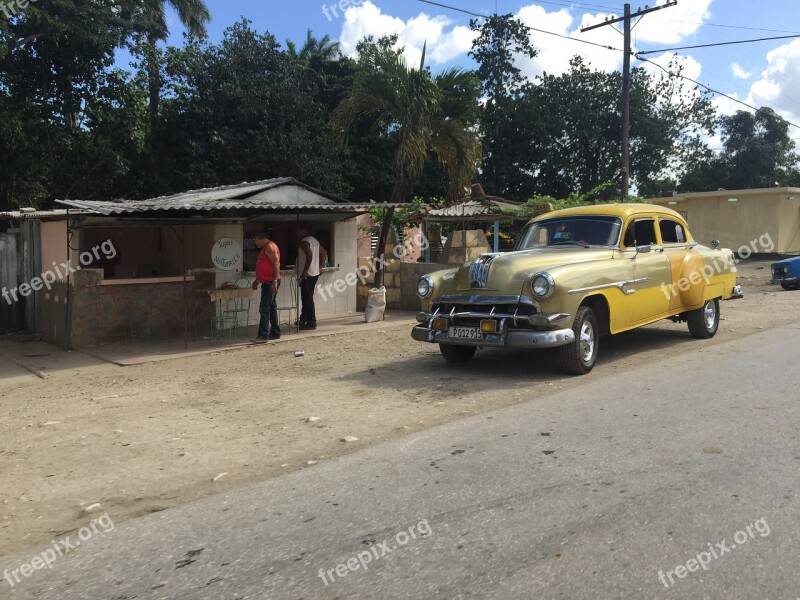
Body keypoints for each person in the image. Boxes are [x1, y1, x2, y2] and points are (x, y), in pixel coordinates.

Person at [250, 232, 281, 343]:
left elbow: (276, 263)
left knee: (264, 308)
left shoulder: (270, 247)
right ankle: (275, 332)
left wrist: (274, 281)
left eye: (255, 240)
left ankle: (263, 335)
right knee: (271, 308)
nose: (255, 243)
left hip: (270, 282)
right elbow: (264, 267)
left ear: (259, 238)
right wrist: (257, 280)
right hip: (267, 281)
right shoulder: (265, 248)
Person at [296, 224, 328, 330]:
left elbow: (309, 255)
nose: (297, 233)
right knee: (306, 298)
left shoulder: (304, 242)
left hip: (308, 275)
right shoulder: (314, 240)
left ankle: (311, 322)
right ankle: (303, 318)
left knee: (307, 299)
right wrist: (320, 266)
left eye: (298, 230)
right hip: (314, 274)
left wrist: (305, 271)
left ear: (303, 230)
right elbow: (324, 253)